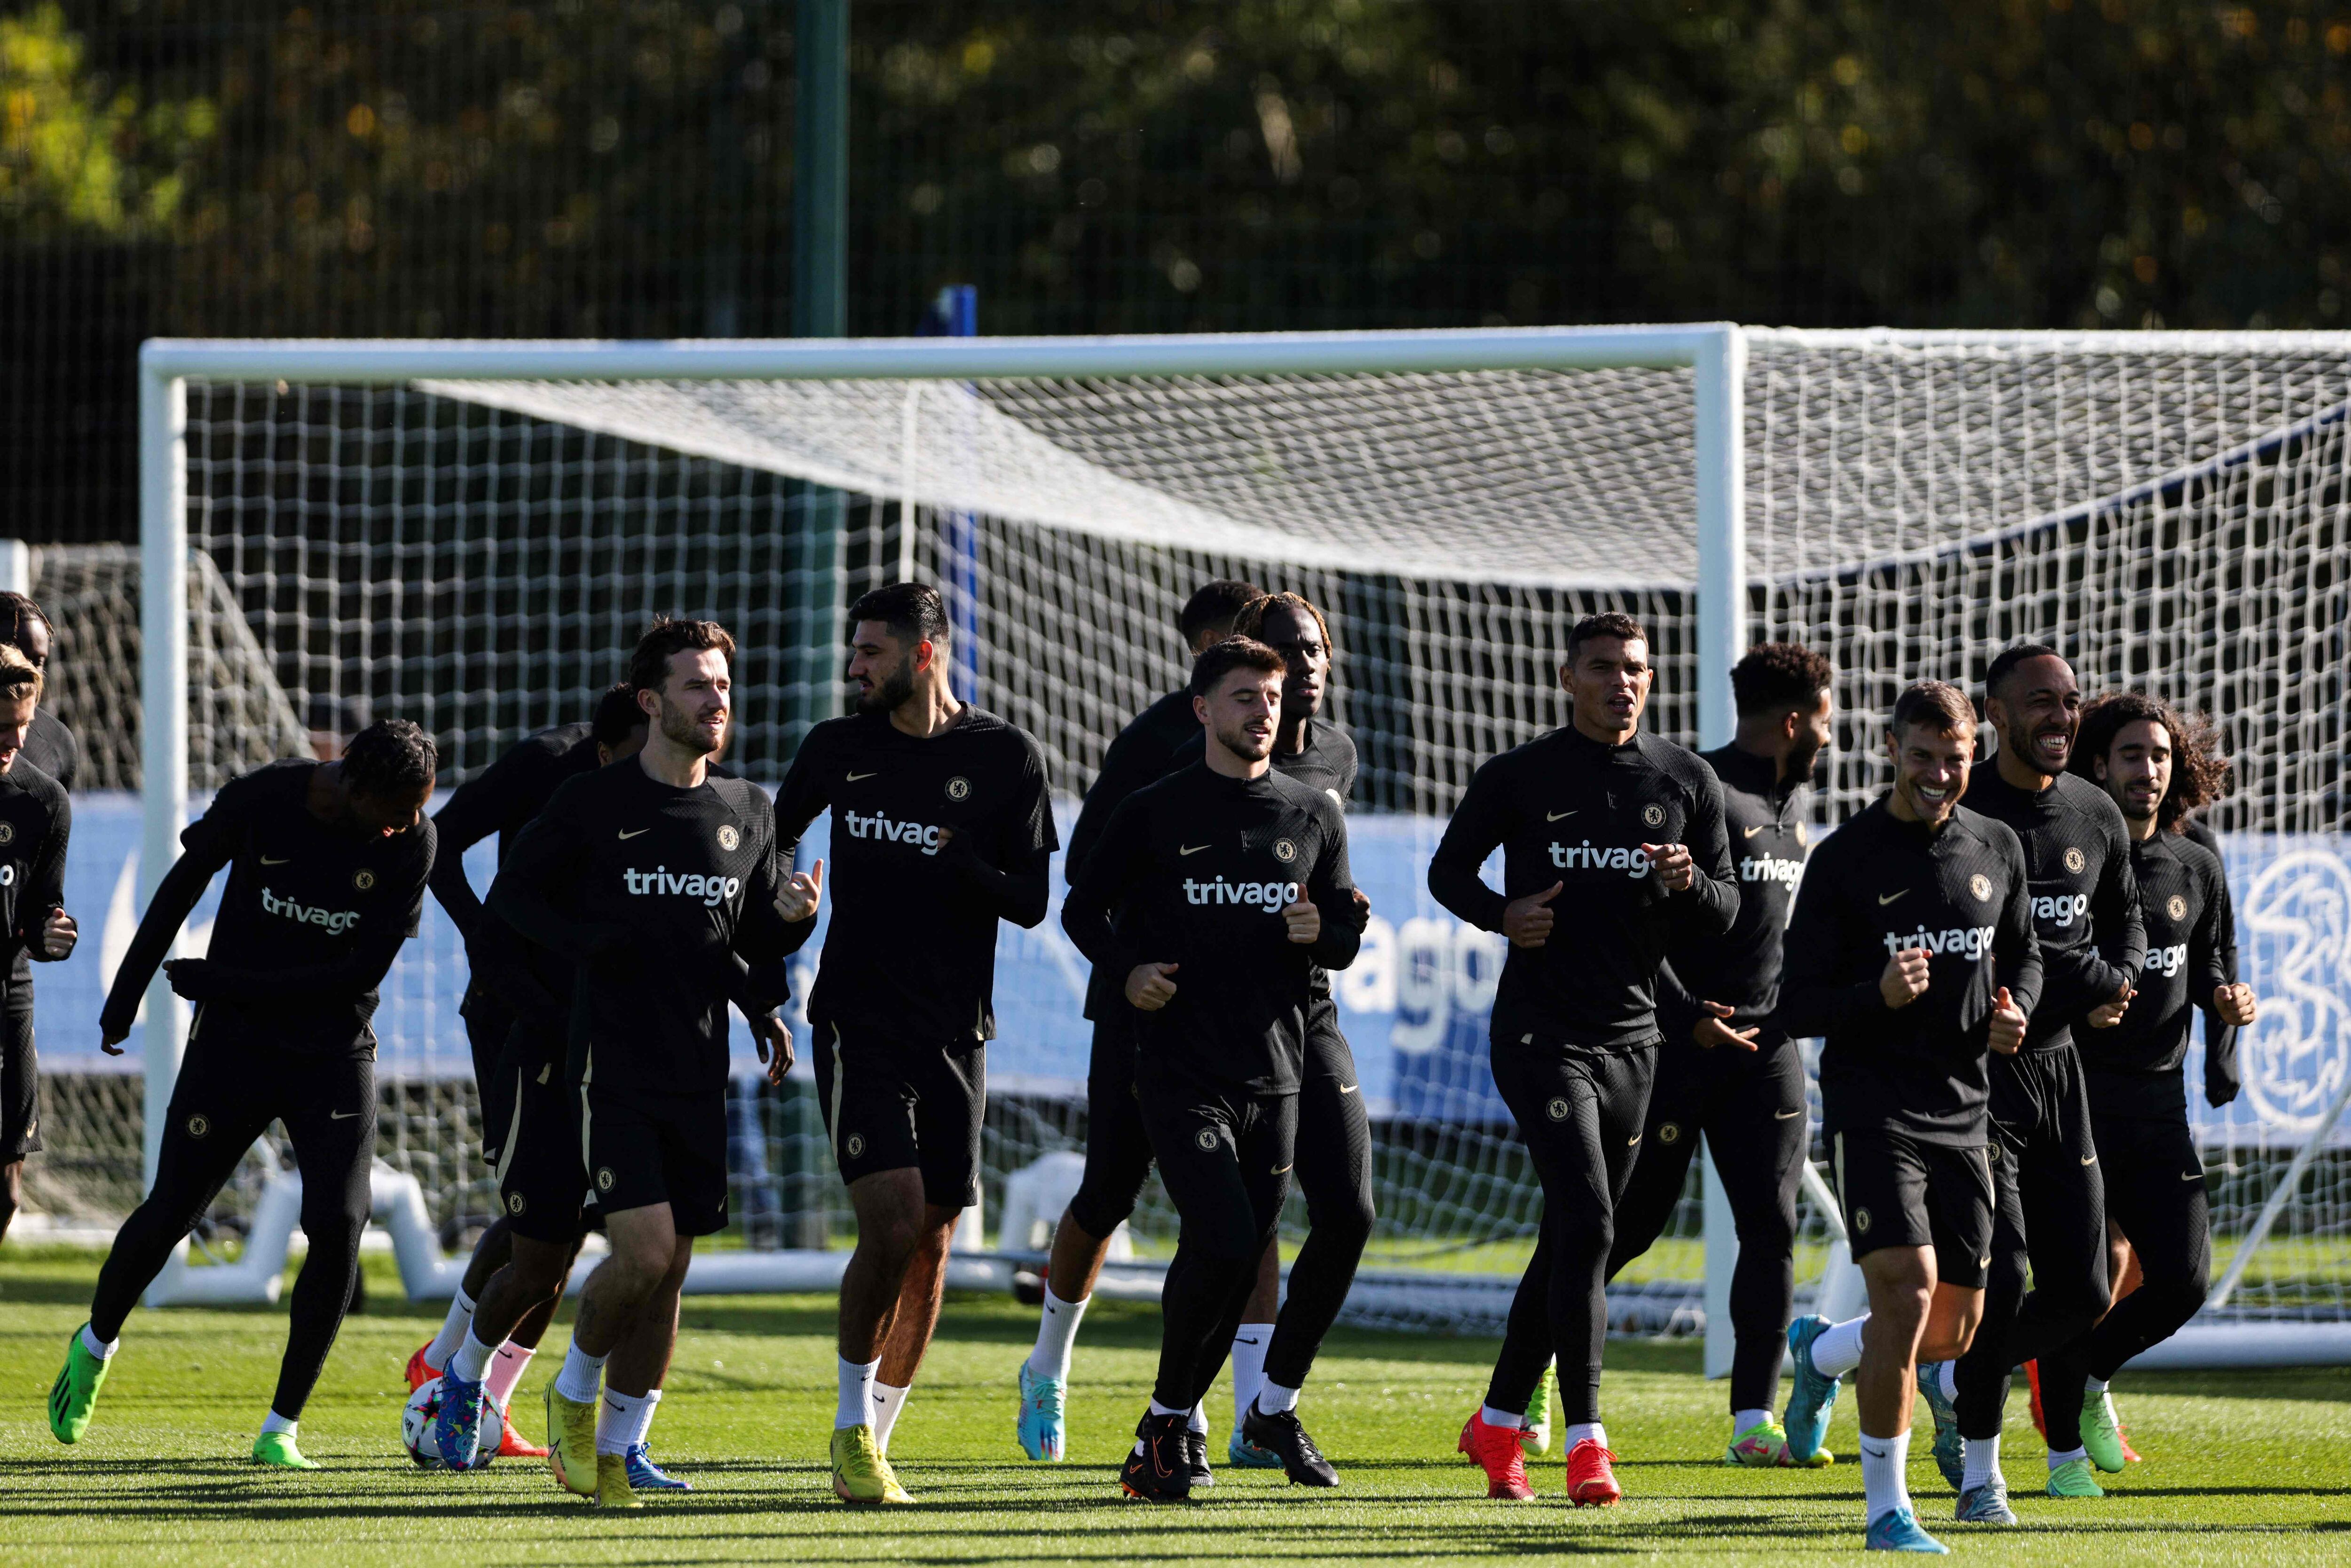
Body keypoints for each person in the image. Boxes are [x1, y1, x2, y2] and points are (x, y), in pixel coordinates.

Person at [52, 720, 438, 1469]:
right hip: (236, 1046)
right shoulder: (265, 798)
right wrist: (126, 995)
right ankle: (95, 1344)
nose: (402, 825)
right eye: (391, 809)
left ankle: (280, 1429)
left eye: (413, 812)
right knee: (175, 1210)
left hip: (333, 1051)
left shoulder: (412, 841)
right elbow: (180, 887)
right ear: (350, 781)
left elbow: (355, 977)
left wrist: (223, 982)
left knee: (341, 1224)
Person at [488, 617, 812, 1507]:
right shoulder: (595, 804)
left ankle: (626, 1447)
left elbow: (738, 938)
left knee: (671, 1270)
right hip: (611, 1064)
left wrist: (786, 936)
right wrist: (589, 944)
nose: (717, 701)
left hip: (701, 1066)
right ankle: (570, 1399)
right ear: (651, 700)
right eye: (697, 685)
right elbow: (513, 895)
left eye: (723, 686)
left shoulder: (749, 809)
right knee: (643, 1251)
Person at [1429, 611, 1736, 1506]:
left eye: (1636, 668)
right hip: (1539, 1036)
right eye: (1603, 667)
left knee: (1573, 1237)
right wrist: (1501, 915)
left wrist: (1691, 884)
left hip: (1637, 1044)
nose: (1622, 681)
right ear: (1568, 678)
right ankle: (1589, 1442)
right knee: (1594, 1226)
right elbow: (1451, 872)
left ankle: (1495, 1423)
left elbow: (1722, 911)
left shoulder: (1686, 779)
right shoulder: (1521, 776)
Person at [773, 582, 1057, 1505]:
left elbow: (1030, 900)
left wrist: (964, 860)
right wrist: (787, 898)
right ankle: (850, 1427)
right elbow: (772, 842)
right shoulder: (836, 747)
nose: (855, 668)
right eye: (853, 652)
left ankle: (876, 1441)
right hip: (858, 1021)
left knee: (933, 1240)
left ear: (923, 655)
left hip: (956, 1031)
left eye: (871, 653)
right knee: (891, 1222)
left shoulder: (1004, 756)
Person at [1060, 635, 1360, 1502]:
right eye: (1242, 696)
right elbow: (1083, 908)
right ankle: (1168, 1423)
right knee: (1227, 1239)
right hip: (1181, 1068)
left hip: (1279, 1070)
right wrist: (1129, 972)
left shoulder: (1313, 815)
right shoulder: (1157, 810)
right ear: (1203, 710)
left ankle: (1165, 1432)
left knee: (1229, 1255)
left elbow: (1342, 929)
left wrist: (1326, 936)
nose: (1263, 709)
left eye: (1271, 696)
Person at [1777, 680, 2039, 1554]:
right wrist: (1875, 995)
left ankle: (1821, 1356)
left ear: (1976, 752)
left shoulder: (1997, 844)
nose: (1938, 774)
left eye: (1954, 758)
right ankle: (1888, 1512)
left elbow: (2027, 956)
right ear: (1893, 750)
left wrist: (2018, 1011)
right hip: (1874, 1107)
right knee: (1907, 1287)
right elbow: (1797, 1002)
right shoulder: (1848, 858)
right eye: (1922, 756)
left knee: (1956, 1327)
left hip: (1968, 1111)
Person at [1018, 579, 1260, 1473]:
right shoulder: (1155, 743)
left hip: (1267, 1023)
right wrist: (1130, 970)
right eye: (1246, 645)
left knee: (1256, 1212)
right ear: (1204, 652)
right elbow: (1085, 877)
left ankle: (1245, 1409)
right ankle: (1048, 1362)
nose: (1273, 679)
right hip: (1150, 1013)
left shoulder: (1320, 750)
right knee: (1111, 1188)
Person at [1920, 645, 2142, 1513]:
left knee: (2087, 1291)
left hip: (2059, 1071)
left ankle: (1954, 1372)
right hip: (1977, 1076)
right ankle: (1983, 1476)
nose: (2061, 718)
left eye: (2071, 703)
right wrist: (2081, 981)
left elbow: (2119, 917)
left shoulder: (2094, 813)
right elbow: (1978, 942)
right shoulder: (1956, 810)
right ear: (1995, 716)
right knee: (2002, 1278)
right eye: (2041, 703)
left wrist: (2119, 979)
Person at [1603, 642, 1833, 1468]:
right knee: (1623, 1230)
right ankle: (1533, 1379)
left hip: (1767, 1054)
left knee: (1772, 1229)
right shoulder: (1701, 791)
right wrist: (1687, 1014)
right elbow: (1638, 928)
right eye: (1827, 719)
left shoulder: (1796, 806)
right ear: (1797, 720)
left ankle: (1752, 1421)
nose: (1831, 738)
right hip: (1676, 1049)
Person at [406, 684, 643, 1461]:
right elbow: (438, 842)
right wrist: (490, 943)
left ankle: (469, 1384)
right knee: (545, 1210)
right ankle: (449, 1370)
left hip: (601, 1018)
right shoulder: (547, 762)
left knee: (564, 1216)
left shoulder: (681, 777)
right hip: (517, 1017)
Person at [2030, 693, 2252, 1472]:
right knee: (2074, 1287)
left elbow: (2214, 965)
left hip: (2159, 1109)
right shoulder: (2072, 857)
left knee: (2185, 1280)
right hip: (2072, 1104)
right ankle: (2057, 1458)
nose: (2148, 770)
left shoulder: (2198, 864)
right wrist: (2077, 1007)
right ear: (2098, 765)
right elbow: (2038, 965)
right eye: (2131, 755)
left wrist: (2227, 1001)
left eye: (2160, 756)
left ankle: (2087, 1375)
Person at [0, 593, 78, 1247]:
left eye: (40, 658)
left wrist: (50, 931)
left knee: (6, 1186)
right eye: (24, 652)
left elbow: (41, 895)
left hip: (9, 986)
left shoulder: (52, 760)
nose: (32, 662)